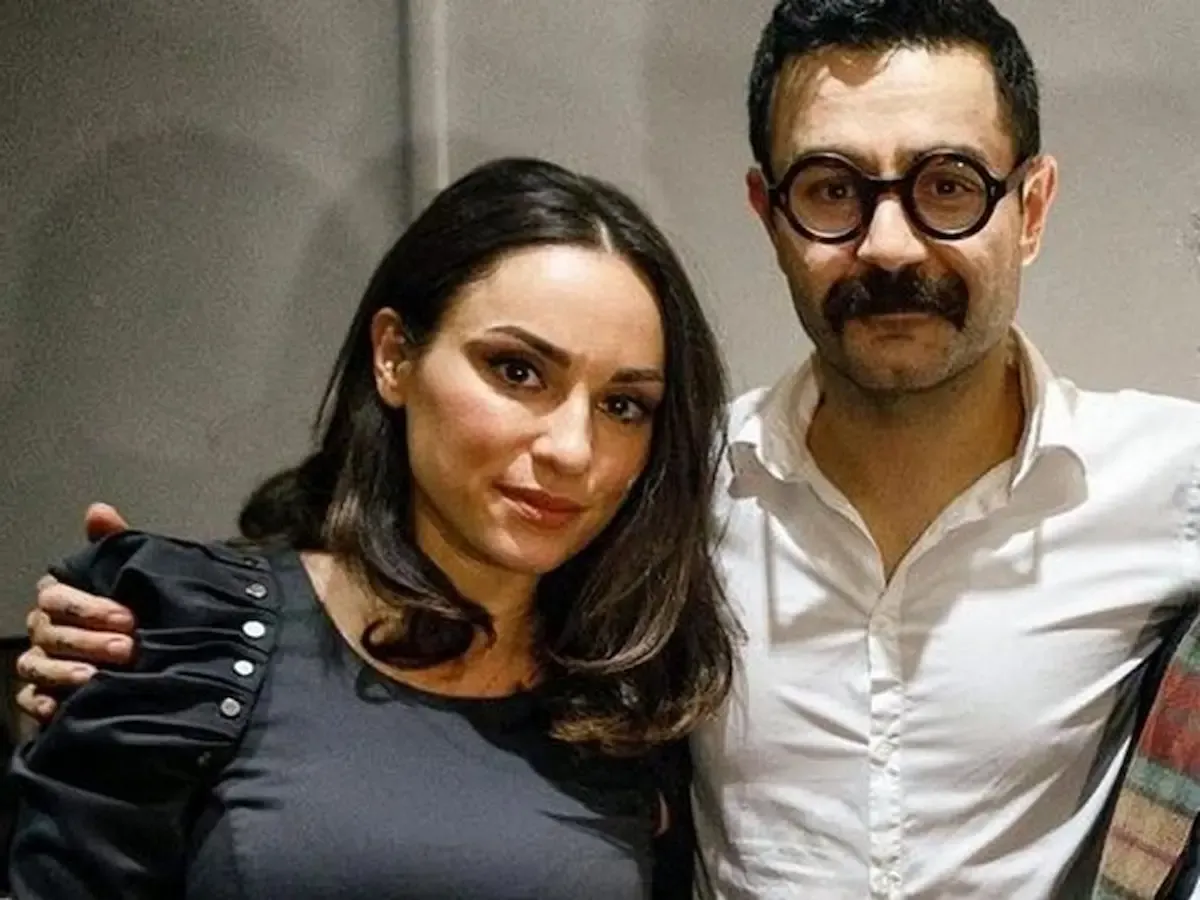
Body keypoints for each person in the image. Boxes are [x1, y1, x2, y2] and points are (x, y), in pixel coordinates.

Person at [15, 1, 1200, 898]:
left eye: (948, 185)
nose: (890, 244)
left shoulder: (1169, 485)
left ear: (1031, 206)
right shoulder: (663, 507)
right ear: (769, 212)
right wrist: (140, 642)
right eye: (833, 189)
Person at [4, 156, 741, 899]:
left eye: (623, 406)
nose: (572, 449)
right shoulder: (198, 639)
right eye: (518, 371)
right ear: (394, 357)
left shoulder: (635, 700)